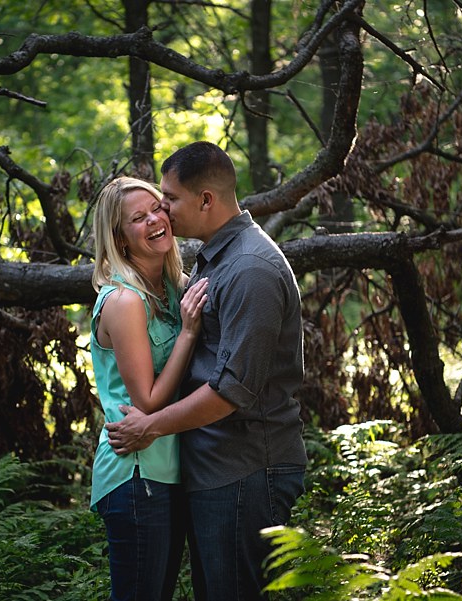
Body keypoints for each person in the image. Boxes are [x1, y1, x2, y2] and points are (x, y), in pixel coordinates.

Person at [105, 142, 308, 601]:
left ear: (206, 200)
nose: (162, 210)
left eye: (170, 199)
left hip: (245, 470)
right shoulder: (216, 257)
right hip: (218, 470)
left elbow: (231, 392)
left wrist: (149, 428)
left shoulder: (249, 268)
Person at [89, 176, 209, 601]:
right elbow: (148, 400)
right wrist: (188, 334)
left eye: (158, 207)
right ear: (120, 240)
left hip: (169, 471)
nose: (156, 220)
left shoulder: (173, 285)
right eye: (138, 219)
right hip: (136, 474)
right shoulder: (123, 302)